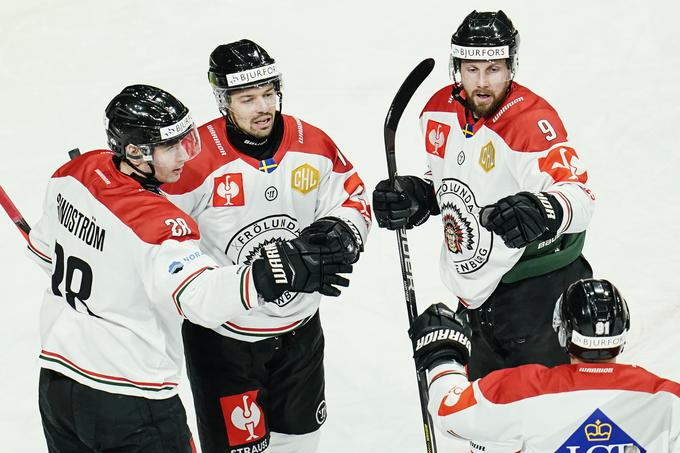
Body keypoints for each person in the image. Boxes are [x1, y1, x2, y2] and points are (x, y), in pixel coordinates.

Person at [27, 84, 350, 453]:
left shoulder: (75, 173)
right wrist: (276, 270)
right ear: (134, 151)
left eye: (186, 140)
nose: (184, 155)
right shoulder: (160, 223)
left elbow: (42, 253)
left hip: (57, 386)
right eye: (170, 146)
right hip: (132, 400)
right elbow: (201, 300)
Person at [162, 39, 371, 453]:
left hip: (300, 334)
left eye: (269, 93)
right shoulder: (194, 160)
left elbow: (353, 197)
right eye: (247, 98)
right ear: (224, 101)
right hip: (223, 342)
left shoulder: (311, 142)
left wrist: (342, 230)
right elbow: (157, 233)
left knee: (301, 445)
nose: (263, 107)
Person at [373, 10, 596, 381]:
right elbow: (452, 175)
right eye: (471, 69)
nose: (481, 82)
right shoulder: (436, 110)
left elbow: (580, 195)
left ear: (511, 67)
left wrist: (543, 208)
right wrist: (422, 195)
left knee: (543, 418)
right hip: (474, 297)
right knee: (487, 421)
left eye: (493, 69)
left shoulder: (531, 121)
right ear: (456, 67)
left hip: (537, 294)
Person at [409, 278, 680, 452]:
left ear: (562, 332)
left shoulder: (522, 390)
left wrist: (444, 354)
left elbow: (448, 412)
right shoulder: (669, 399)